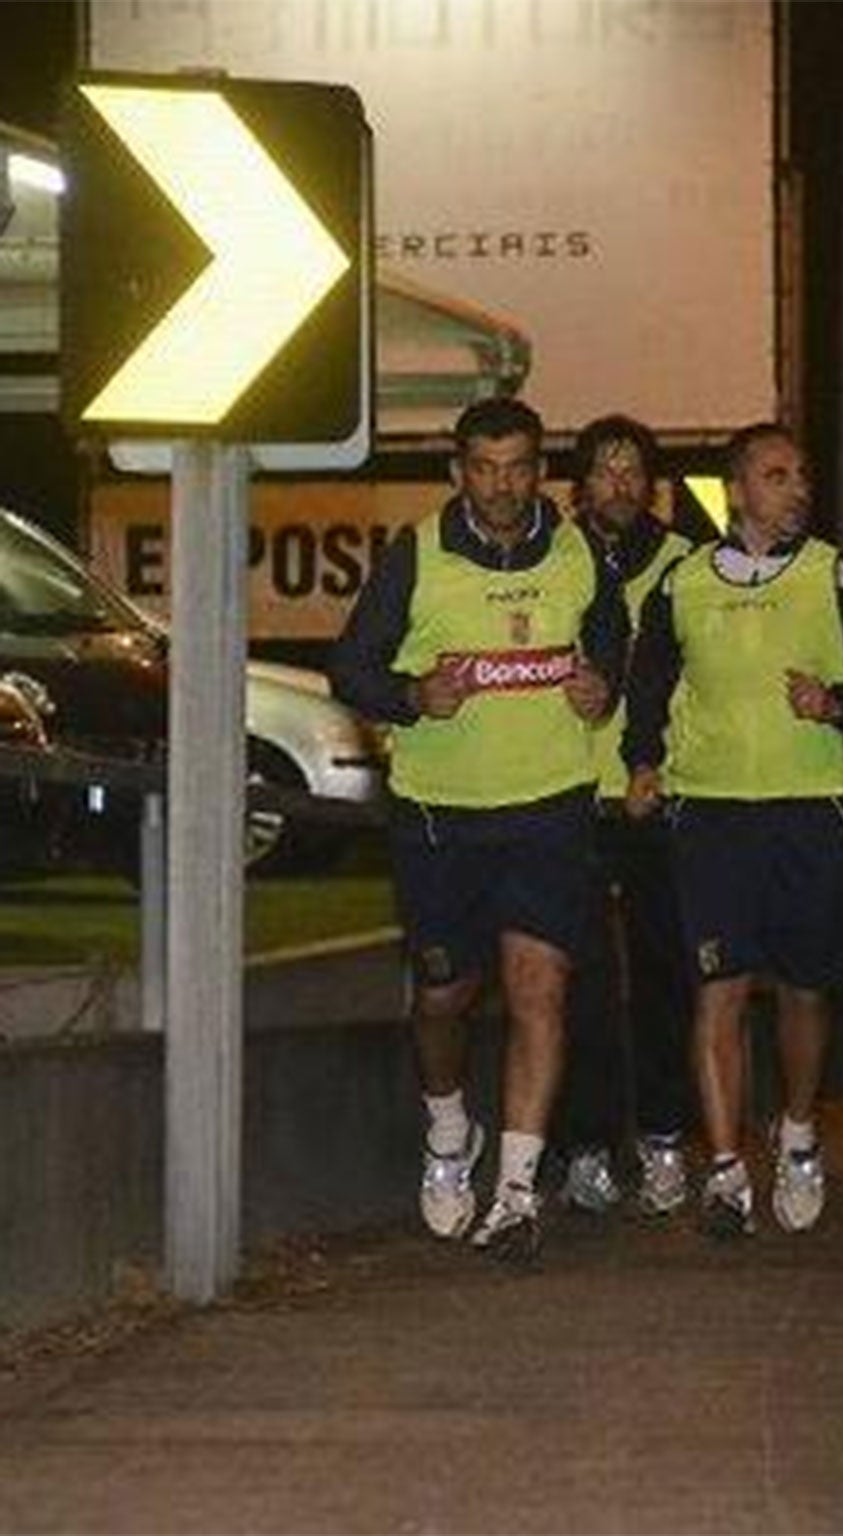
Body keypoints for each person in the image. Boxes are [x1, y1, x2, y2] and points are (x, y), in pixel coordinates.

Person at [329, 395, 625, 1259]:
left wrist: (601, 681)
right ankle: (450, 1133)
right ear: (459, 471)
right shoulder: (416, 556)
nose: (501, 486)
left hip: (549, 807)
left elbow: (612, 637)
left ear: (541, 471)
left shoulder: (576, 553)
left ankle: (518, 1193)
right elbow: (352, 668)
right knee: (444, 994)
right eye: (485, 468)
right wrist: (413, 696)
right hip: (440, 816)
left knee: (540, 990)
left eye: (519, 466)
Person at [622, 422, 843, 1238]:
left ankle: (798, 1133)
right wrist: (644, 762)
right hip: (710, 812)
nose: (797, 489)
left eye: (802, 475)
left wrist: (838, 705)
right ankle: (722, 1170)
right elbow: (649, 686)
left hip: (810, 808)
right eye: (777, 476)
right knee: (717, 986)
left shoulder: (835, 575)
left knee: (803, 987)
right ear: (737, 491)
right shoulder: (683, 581)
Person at [554, 414, 697, 1217]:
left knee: (666, 980)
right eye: (605, 469)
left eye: (633, 469)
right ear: (580, 484)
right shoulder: (552, 553)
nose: (620, 483)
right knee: (577, 987)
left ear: (653, 483)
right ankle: (585, 1148)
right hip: (569, 799)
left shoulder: (686, 563)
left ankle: (665, 1139)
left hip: (659, 801)